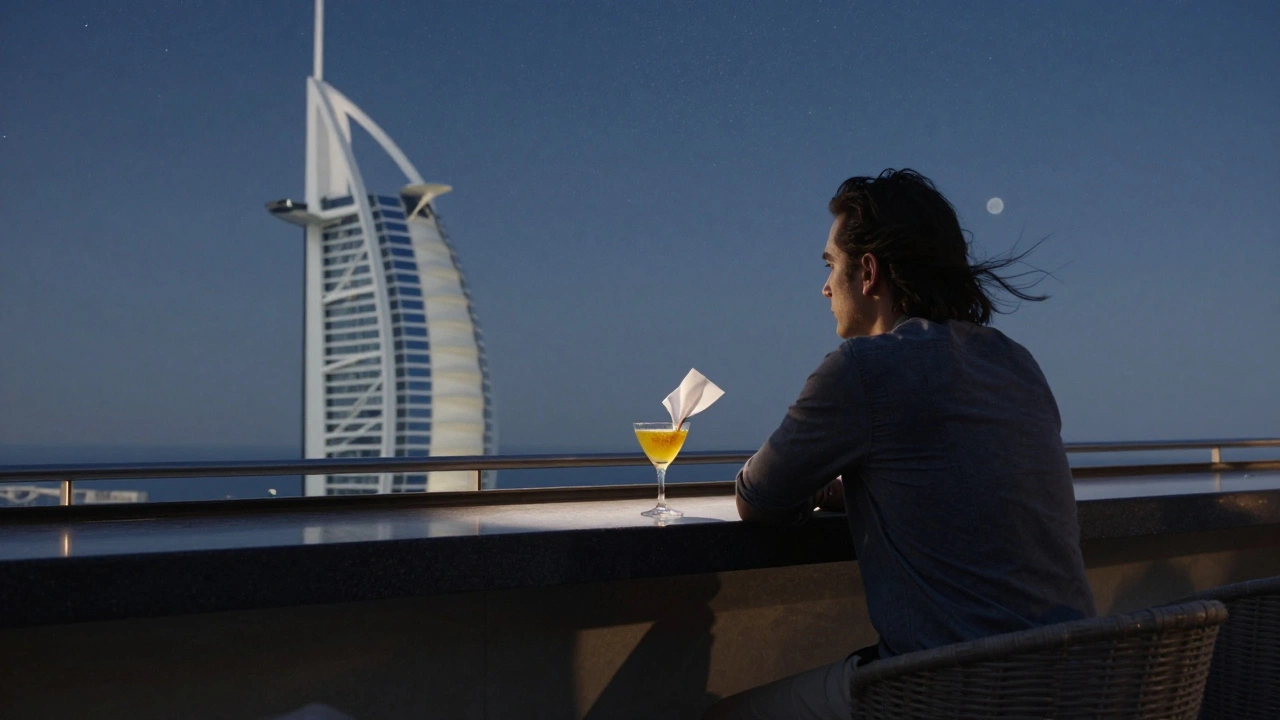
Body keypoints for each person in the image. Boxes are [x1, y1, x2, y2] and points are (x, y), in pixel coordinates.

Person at [705, 169, 1096, 720]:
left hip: (949, 691)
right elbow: (961, 480)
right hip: (1074, 681)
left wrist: (819, 488)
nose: (824, 287)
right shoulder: (1016, 361)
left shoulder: (864, 369)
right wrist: (859, 491)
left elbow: (759, 497)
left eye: (829, 266)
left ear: (867, 272)